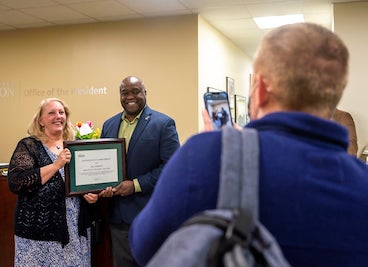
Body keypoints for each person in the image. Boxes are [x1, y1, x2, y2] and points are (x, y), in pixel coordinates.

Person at [129, 23, 368, 266]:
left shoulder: (207, 156)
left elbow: (143, 246)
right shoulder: (362, 181)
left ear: (261, 90)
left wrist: (217, 149)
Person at [97, 75, 180, 267]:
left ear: (145, 93)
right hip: (118, 217)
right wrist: (102, 186)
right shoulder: (109, 125)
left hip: (149, 215)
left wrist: (135, 185)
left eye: (135, 91)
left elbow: (171, 168)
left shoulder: (163, 124)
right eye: (125, 93)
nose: (130, 97)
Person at [8, 98, 98, 266]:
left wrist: (89, 194)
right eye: (51, 113)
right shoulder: (29, 145)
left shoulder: (76, 145)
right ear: (41, 121)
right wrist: (57, 164)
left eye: (61, 112)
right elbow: (17, 182)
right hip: (39, 233)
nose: (58, 116)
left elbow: (83, 181)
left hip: (74, 230)